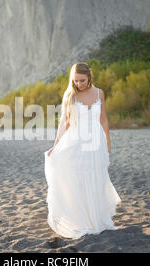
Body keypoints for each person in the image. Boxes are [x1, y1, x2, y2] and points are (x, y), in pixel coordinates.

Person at [44, 62, 121, 240]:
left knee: (95, 177)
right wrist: (56, 145)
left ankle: (96, 219)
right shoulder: (69, 95)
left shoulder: (99, 93)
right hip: (76, 141)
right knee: (76, 178)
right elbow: (64, 122)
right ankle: (79, 219)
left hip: (96, 142)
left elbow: (104, 120)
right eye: (75, 81)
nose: (79, 84)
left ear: (89, 77)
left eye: (82, 80)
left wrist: (108, 142)